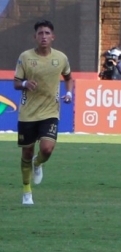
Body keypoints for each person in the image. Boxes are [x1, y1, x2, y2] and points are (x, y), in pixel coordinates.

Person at [13, 20, 73, 205]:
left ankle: (38, 164)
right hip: (28, 114)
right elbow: (16, 82)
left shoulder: (61, 58)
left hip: (50, 111)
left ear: (53, 37)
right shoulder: (25, 57)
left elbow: (69, 78)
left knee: (47, 149)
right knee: (26, 153)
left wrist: (69, 93)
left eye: (47, 33)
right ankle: (26, 192)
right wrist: (24, 83)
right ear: (35, 37)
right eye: (40, 33)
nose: (44, 36)